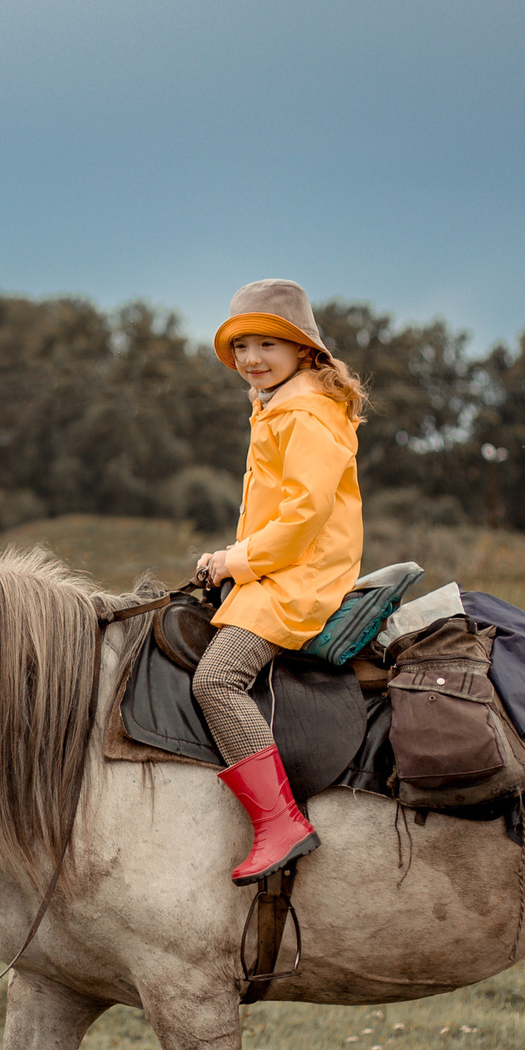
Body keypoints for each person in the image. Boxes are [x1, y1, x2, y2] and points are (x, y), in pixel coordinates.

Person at [192, 279, 366, 881]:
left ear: (304, 352)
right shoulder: (277, 406)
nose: (252, 360)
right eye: (242, 347)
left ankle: (279, 822)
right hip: (280, 570)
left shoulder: (307, 413)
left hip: (301, 580)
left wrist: (233, 560)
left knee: (216, 679)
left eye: (268, 344)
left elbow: (301, 518)